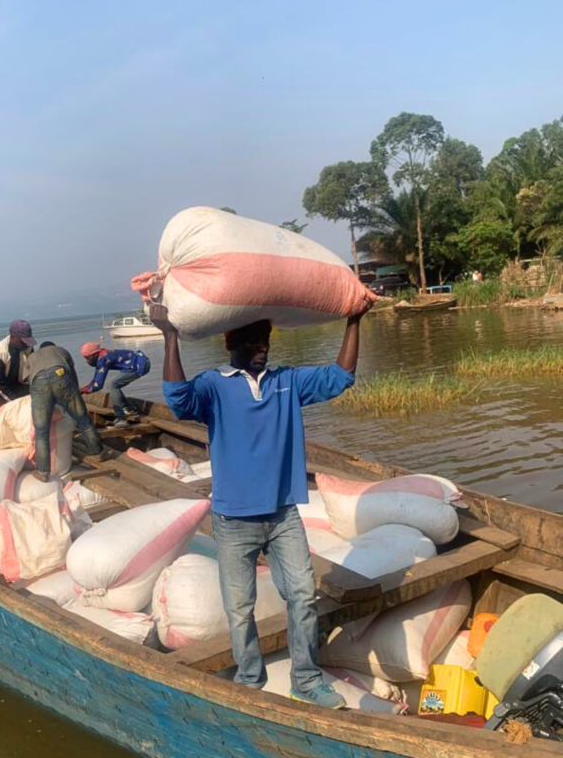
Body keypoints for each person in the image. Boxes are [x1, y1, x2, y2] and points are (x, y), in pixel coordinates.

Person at [150, 299, 374, 709]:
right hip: (233, 520)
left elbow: (340, 377)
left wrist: (353, 321)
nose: (262, 347)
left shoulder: (286, 382)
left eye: (266, 339)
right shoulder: (214, 385)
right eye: (253, 341)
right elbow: (178, 399)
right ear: (231, 346)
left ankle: (306, 680)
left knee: (303, 596)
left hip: (283, 513)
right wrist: (170, 335)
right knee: (239, 609)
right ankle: (250, 680)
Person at [27, 342, 111, 481]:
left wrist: (44, 403)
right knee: (83, 419)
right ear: (53, 347)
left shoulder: (32, 357)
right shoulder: (61, 350)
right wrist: (75, 395)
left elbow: (29, 382)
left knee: (41, 432)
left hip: (39, 383)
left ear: (41, 349)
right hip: (61, 376)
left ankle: (43, 472)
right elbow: (72, 375)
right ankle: (99, 453)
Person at [79, 342, 151, 428]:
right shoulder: (102, 356)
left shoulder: (104, 359)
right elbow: (96, 380)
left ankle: (121, 418)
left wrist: (83, 390)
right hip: (135, 363)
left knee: (113, 384)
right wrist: (84, 389)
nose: (87, 361)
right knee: (114, 384)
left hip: (140, 364)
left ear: (95, 354)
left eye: (87, 357)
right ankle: (130, 408)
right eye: (85, 358)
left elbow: (98, 385)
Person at [0, 320, 36, 415]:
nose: (26, 344)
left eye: (28, 341)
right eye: (23, 341)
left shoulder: (26, 347)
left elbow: (32, 368)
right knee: (6, 413)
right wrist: (13, 401)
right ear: (13, 337)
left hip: (13, 381)